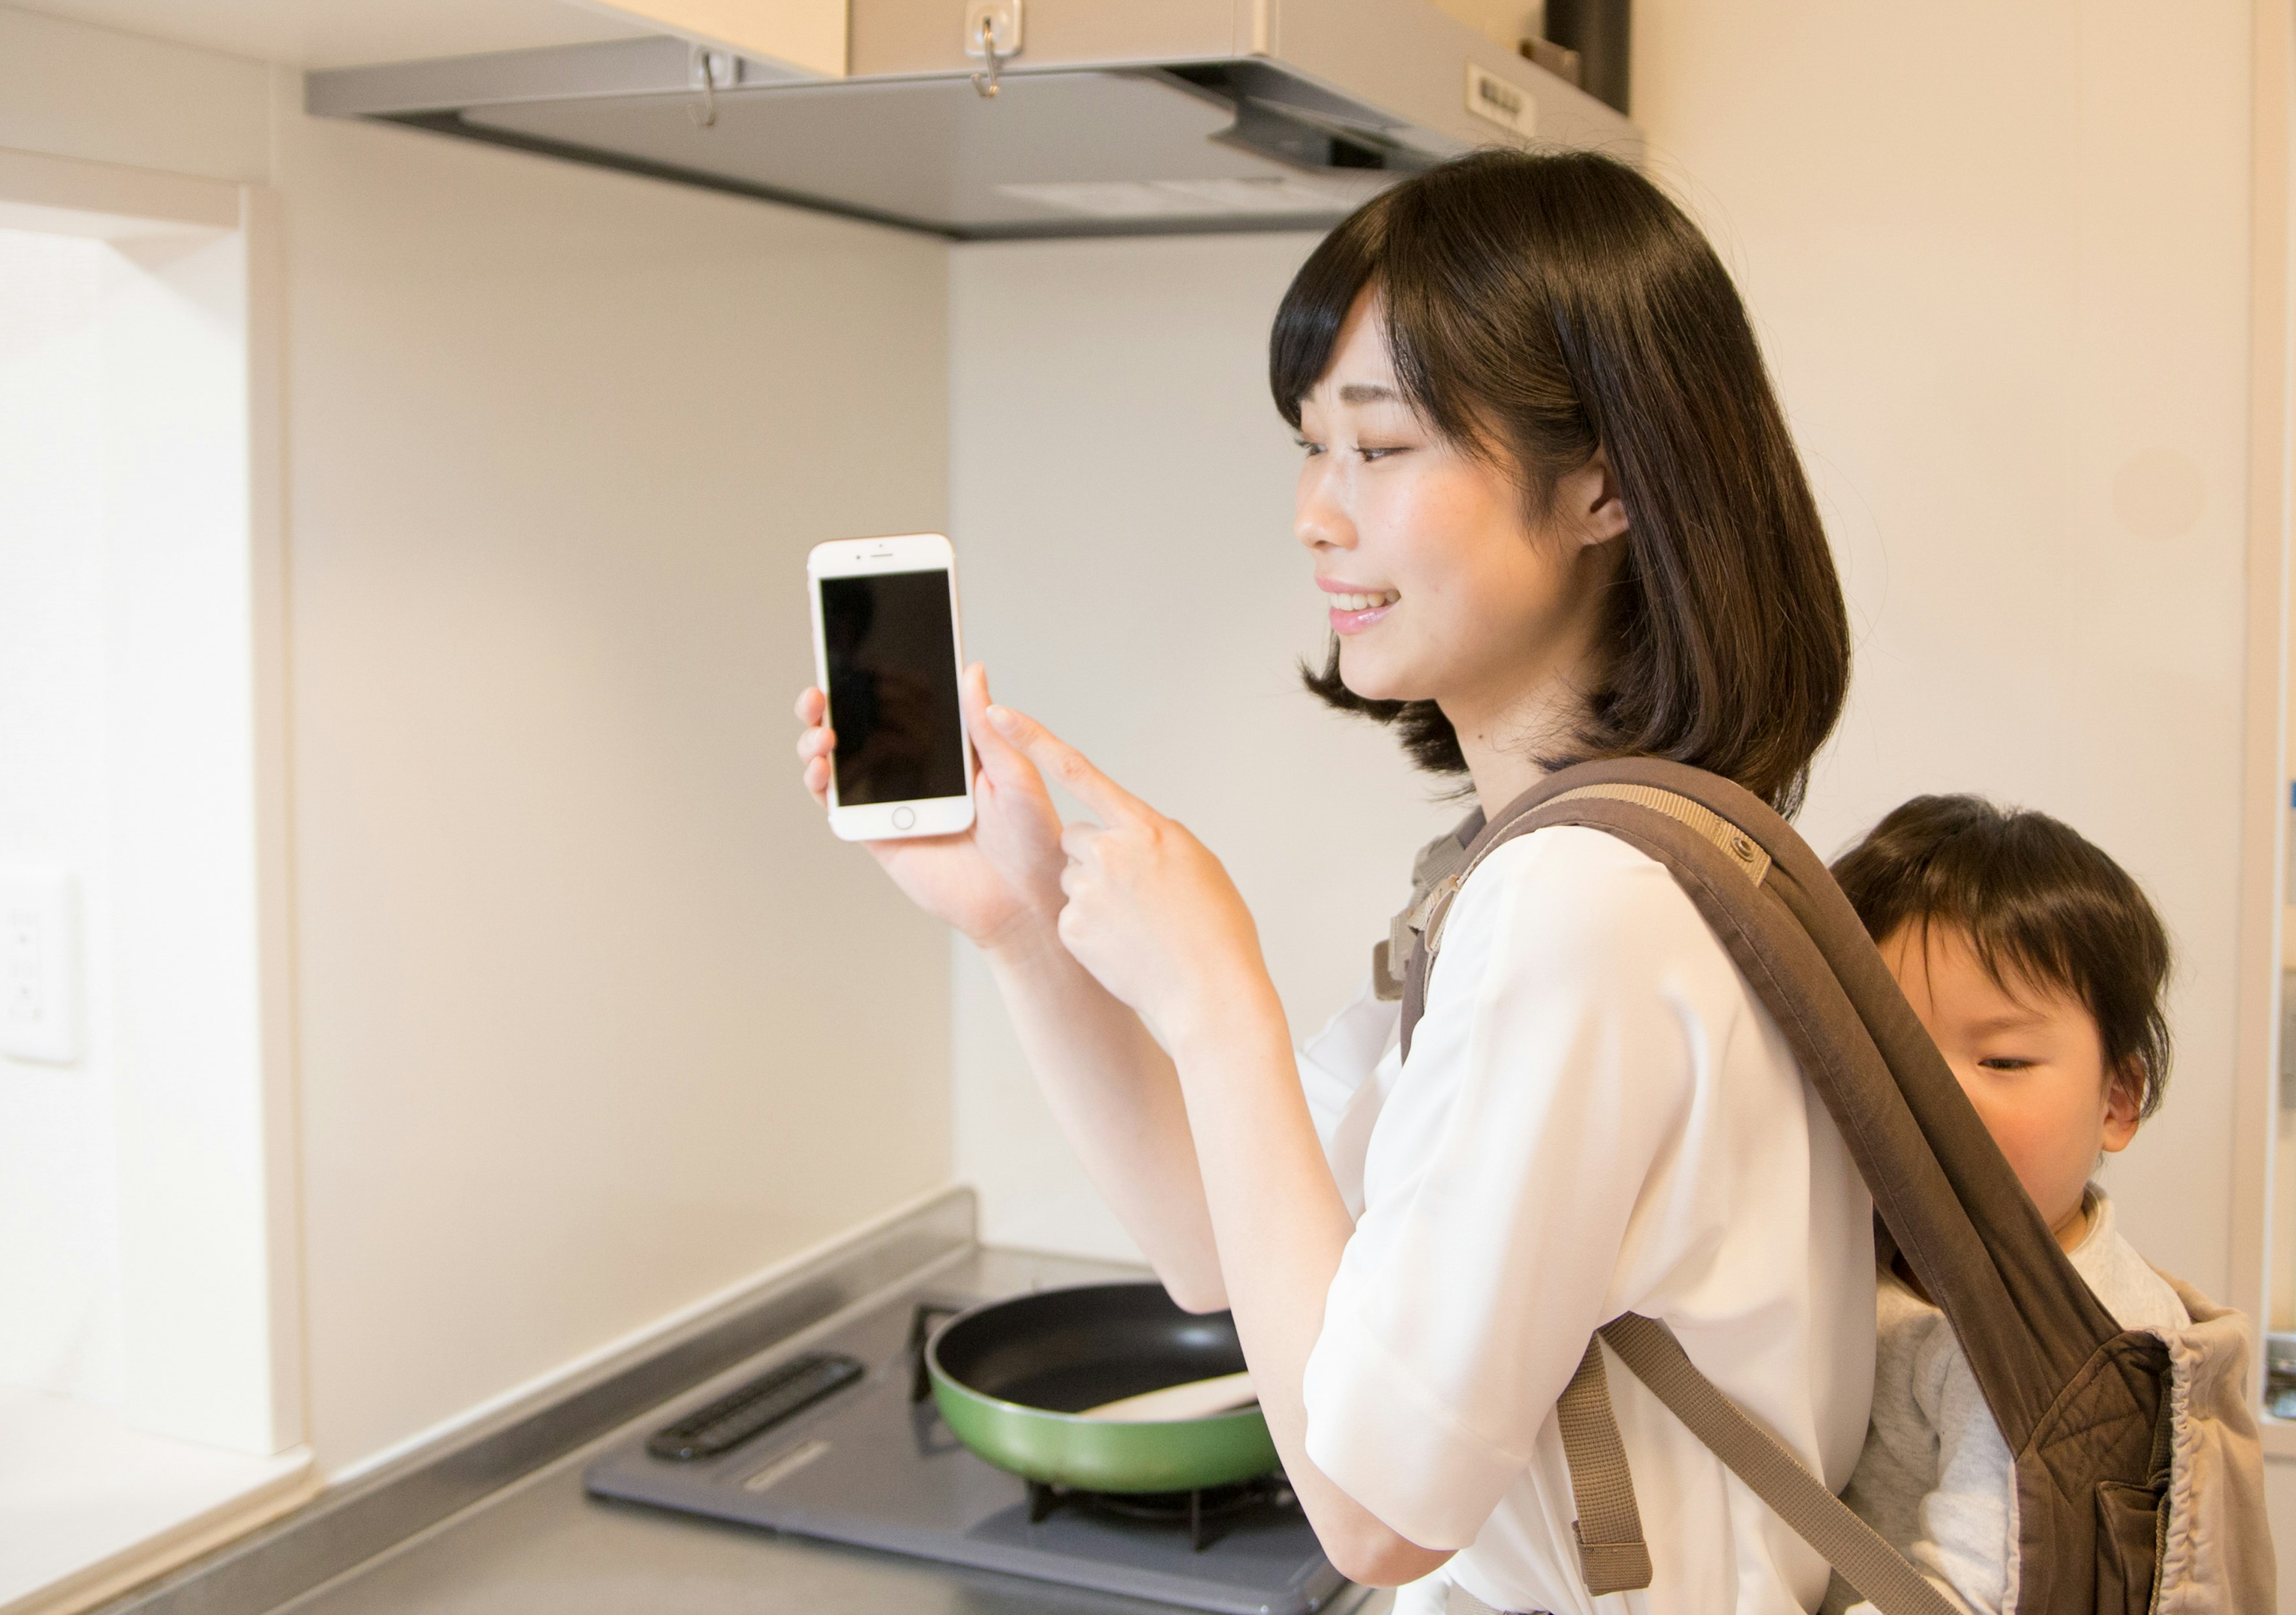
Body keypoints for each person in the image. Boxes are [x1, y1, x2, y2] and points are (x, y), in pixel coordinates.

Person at [793, 150, 1867, 1612]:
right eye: (1310, 445)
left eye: (1382, 446)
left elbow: (1374, 1511)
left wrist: (1218, 990)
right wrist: (1025, 925)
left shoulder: (1585, 911)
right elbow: (1212, 1242)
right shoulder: (1569, 865)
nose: (1314, 510)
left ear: (1605, 483)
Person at [1827, 796, 2185, 1615]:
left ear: (2118, 1100)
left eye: (2004, 1059)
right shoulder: (1862, 1251)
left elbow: (1973, 1594)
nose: (1935, 1097)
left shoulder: (2063, 1341)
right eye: (1887, 1055)